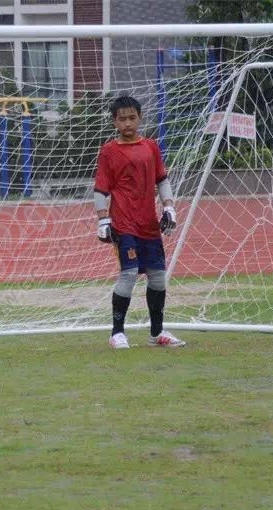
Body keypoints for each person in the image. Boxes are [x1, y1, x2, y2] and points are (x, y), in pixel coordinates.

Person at [93, 95, 186, 349]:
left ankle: (157, 333)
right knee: (129, 274)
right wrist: (103, 220)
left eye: (132, 118)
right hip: (124, 225)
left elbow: (162, 180)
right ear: (114, 122)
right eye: (122, 119)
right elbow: (100, 190)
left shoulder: (151, 147)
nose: (128, 123)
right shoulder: (109, 151)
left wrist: (169, 207)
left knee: (157, 277)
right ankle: (117, 333)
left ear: (140, 118)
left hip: (149, 224)